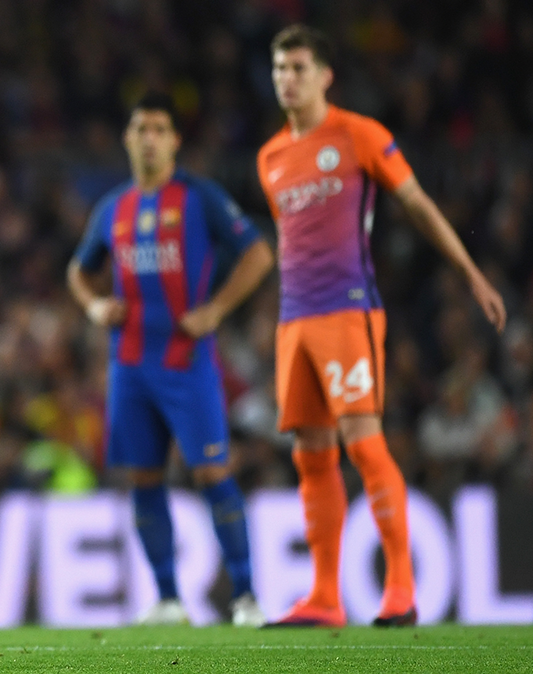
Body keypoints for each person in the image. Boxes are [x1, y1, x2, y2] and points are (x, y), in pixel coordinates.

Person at [258, 24, 506, 627]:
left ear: (325, 75)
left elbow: (416, 202)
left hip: (348, 310)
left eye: (298, 67)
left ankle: (400, 590)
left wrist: (469, 270)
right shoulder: (269, 158)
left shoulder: (358, 134)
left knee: (364, 444)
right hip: (295, 321)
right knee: (311, 459)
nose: (286, 79)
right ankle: (323, 597)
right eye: (279, 69)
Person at [67, 93, 275, 627]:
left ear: (175, 140)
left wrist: (216, 310)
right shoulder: (113, 208)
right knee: (143, 477)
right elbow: (78, 270)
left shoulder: (200, 198)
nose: (149, 137)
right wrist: (94, 305)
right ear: (128, 138)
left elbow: (258, 253)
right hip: (130, 367)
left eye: (159, 128)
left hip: (188, 362)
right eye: (140, 128)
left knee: (211, 470)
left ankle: (245, 596)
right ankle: (167, 599)